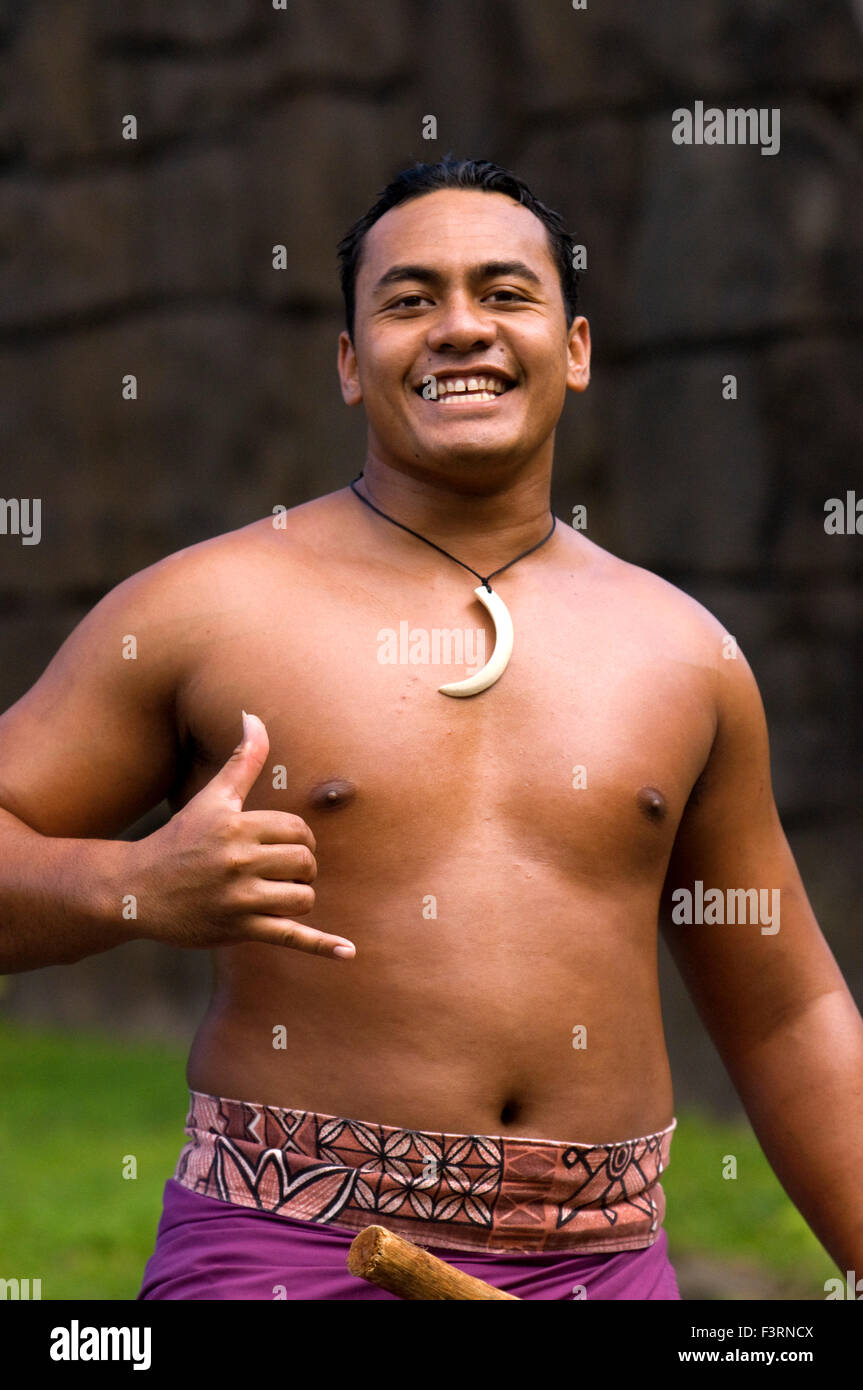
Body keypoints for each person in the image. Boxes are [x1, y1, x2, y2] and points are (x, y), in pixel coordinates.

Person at [1, 158, 861, 1302]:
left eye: (505, 294)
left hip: (604, 1273)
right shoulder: (202, 610)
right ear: (351, 364)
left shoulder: (683, 652)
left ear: (576, 347)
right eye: (409, 300)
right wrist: (130, 886)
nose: (461, 328)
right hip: (286, 1259)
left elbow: (787, 1011)